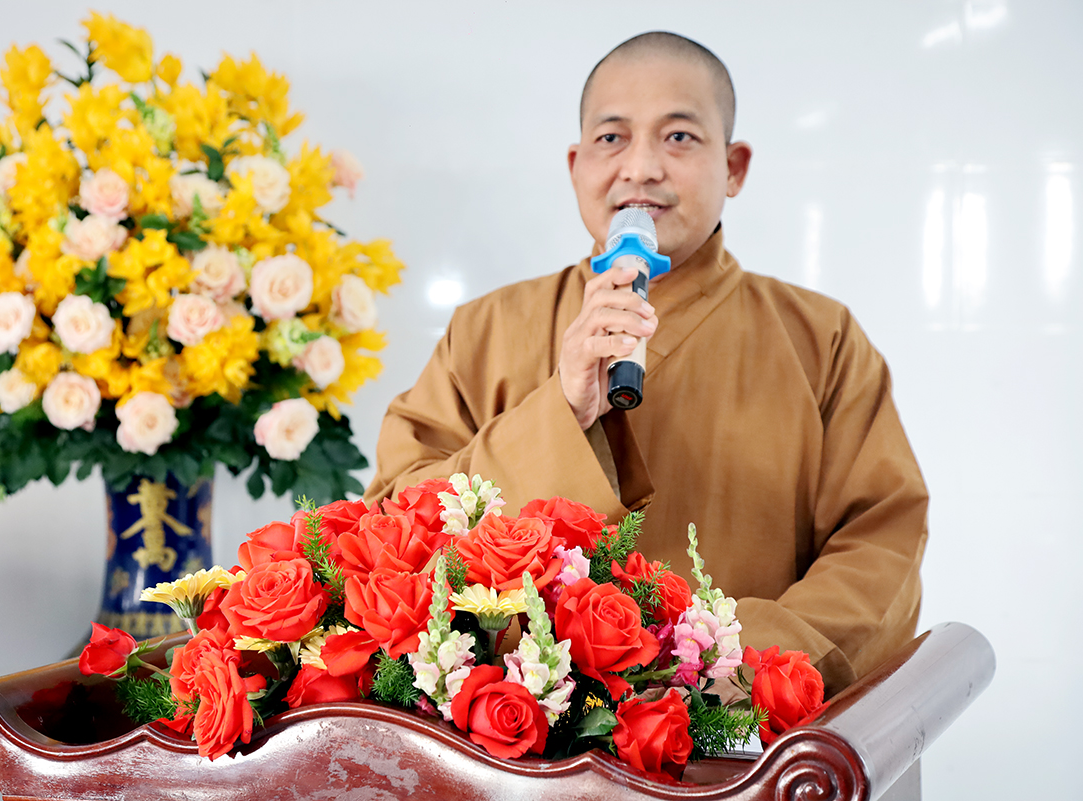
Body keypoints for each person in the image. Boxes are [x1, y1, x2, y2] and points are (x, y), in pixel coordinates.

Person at [365, 32, 927, 695]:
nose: (640, 168)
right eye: (612, 138)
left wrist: (731, 667)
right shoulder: (485, 329)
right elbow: (393, 529)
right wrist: (560, 411)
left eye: (679, 137)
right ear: (576, 165)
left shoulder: (822, 338)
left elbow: (880, 543)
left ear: (734, 167)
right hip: (513, 728)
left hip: (740, 727)